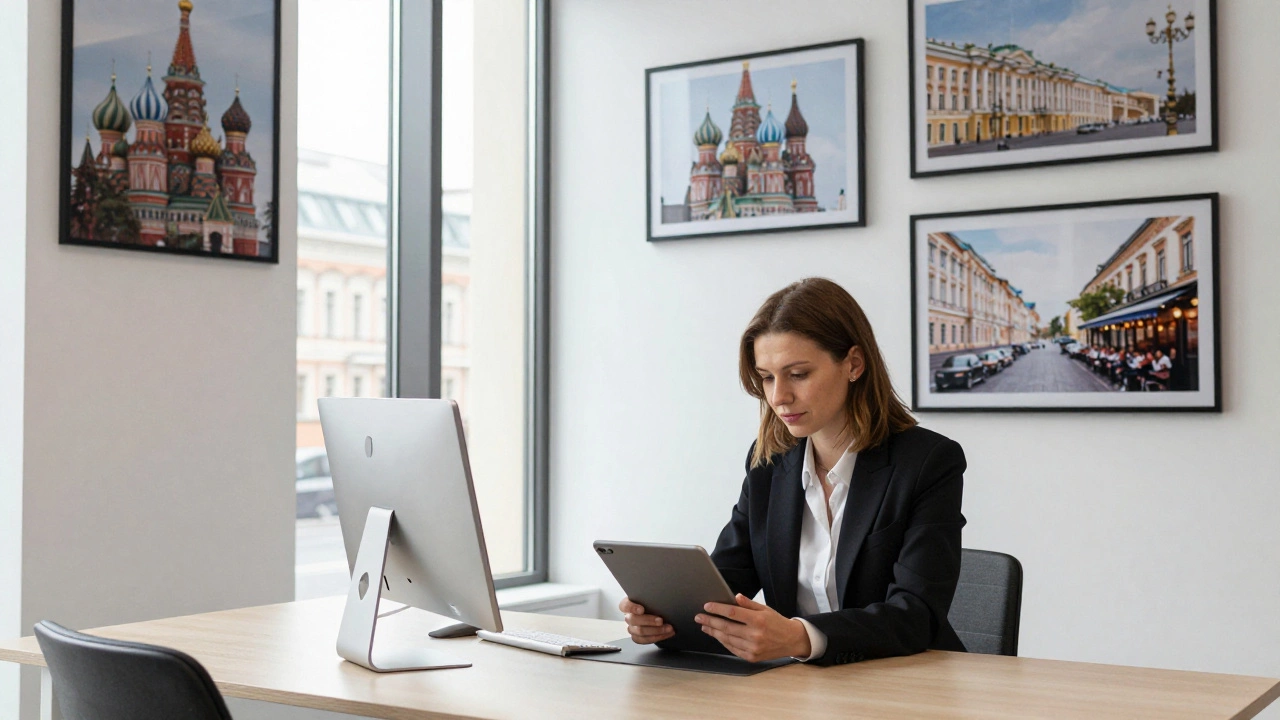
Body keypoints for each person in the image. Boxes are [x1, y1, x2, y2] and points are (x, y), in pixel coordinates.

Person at [618, 278, 967, 665]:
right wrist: (667, 619)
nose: (778, 396)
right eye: (767, 377)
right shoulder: (768, 462)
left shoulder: (928, 462)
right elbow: (726, 583)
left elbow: (916, 615)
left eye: (797, 374)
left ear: (853, 364)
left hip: (909, 683)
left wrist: (803, 638)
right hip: (797, 687)